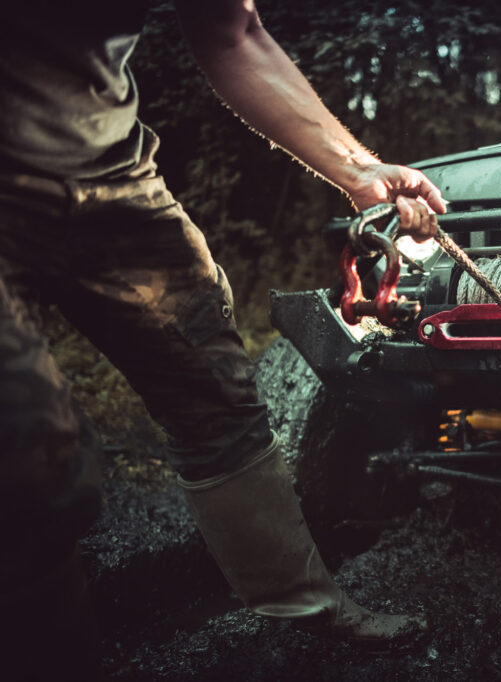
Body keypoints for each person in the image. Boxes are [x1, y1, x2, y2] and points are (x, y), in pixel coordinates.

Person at [0, 0, 444, 676]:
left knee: (215, 387)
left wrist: (357, 170)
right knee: (28, 454)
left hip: (113, 181)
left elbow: (232, 32)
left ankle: (306, 605)